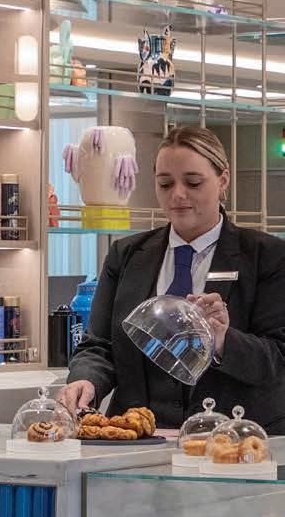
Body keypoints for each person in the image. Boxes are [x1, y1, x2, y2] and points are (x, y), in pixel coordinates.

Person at [58, 124, 285, 431]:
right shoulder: (125, 255)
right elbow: (99, 346)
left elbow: (278, 358)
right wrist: (86, 380)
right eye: (165, 184)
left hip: (235, 440)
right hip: (139, 439)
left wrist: (221, 340)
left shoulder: (268, 257)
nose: (178, 195)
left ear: (223, 180)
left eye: (193, 182)